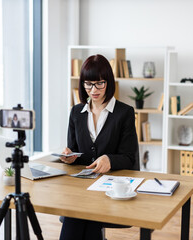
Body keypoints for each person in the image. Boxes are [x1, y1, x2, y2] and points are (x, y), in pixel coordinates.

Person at [59, 54, 139, 240]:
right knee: (77, 215)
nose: (93, 89)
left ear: (108, 82)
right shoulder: (76, 112)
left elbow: (130, 157)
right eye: (88, 84)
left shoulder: (124, 113)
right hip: (82, 189)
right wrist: (69, 156)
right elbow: (74, 151)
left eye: (99, 83)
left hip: (110, 188)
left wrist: (109, 159)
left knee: (84, 217)